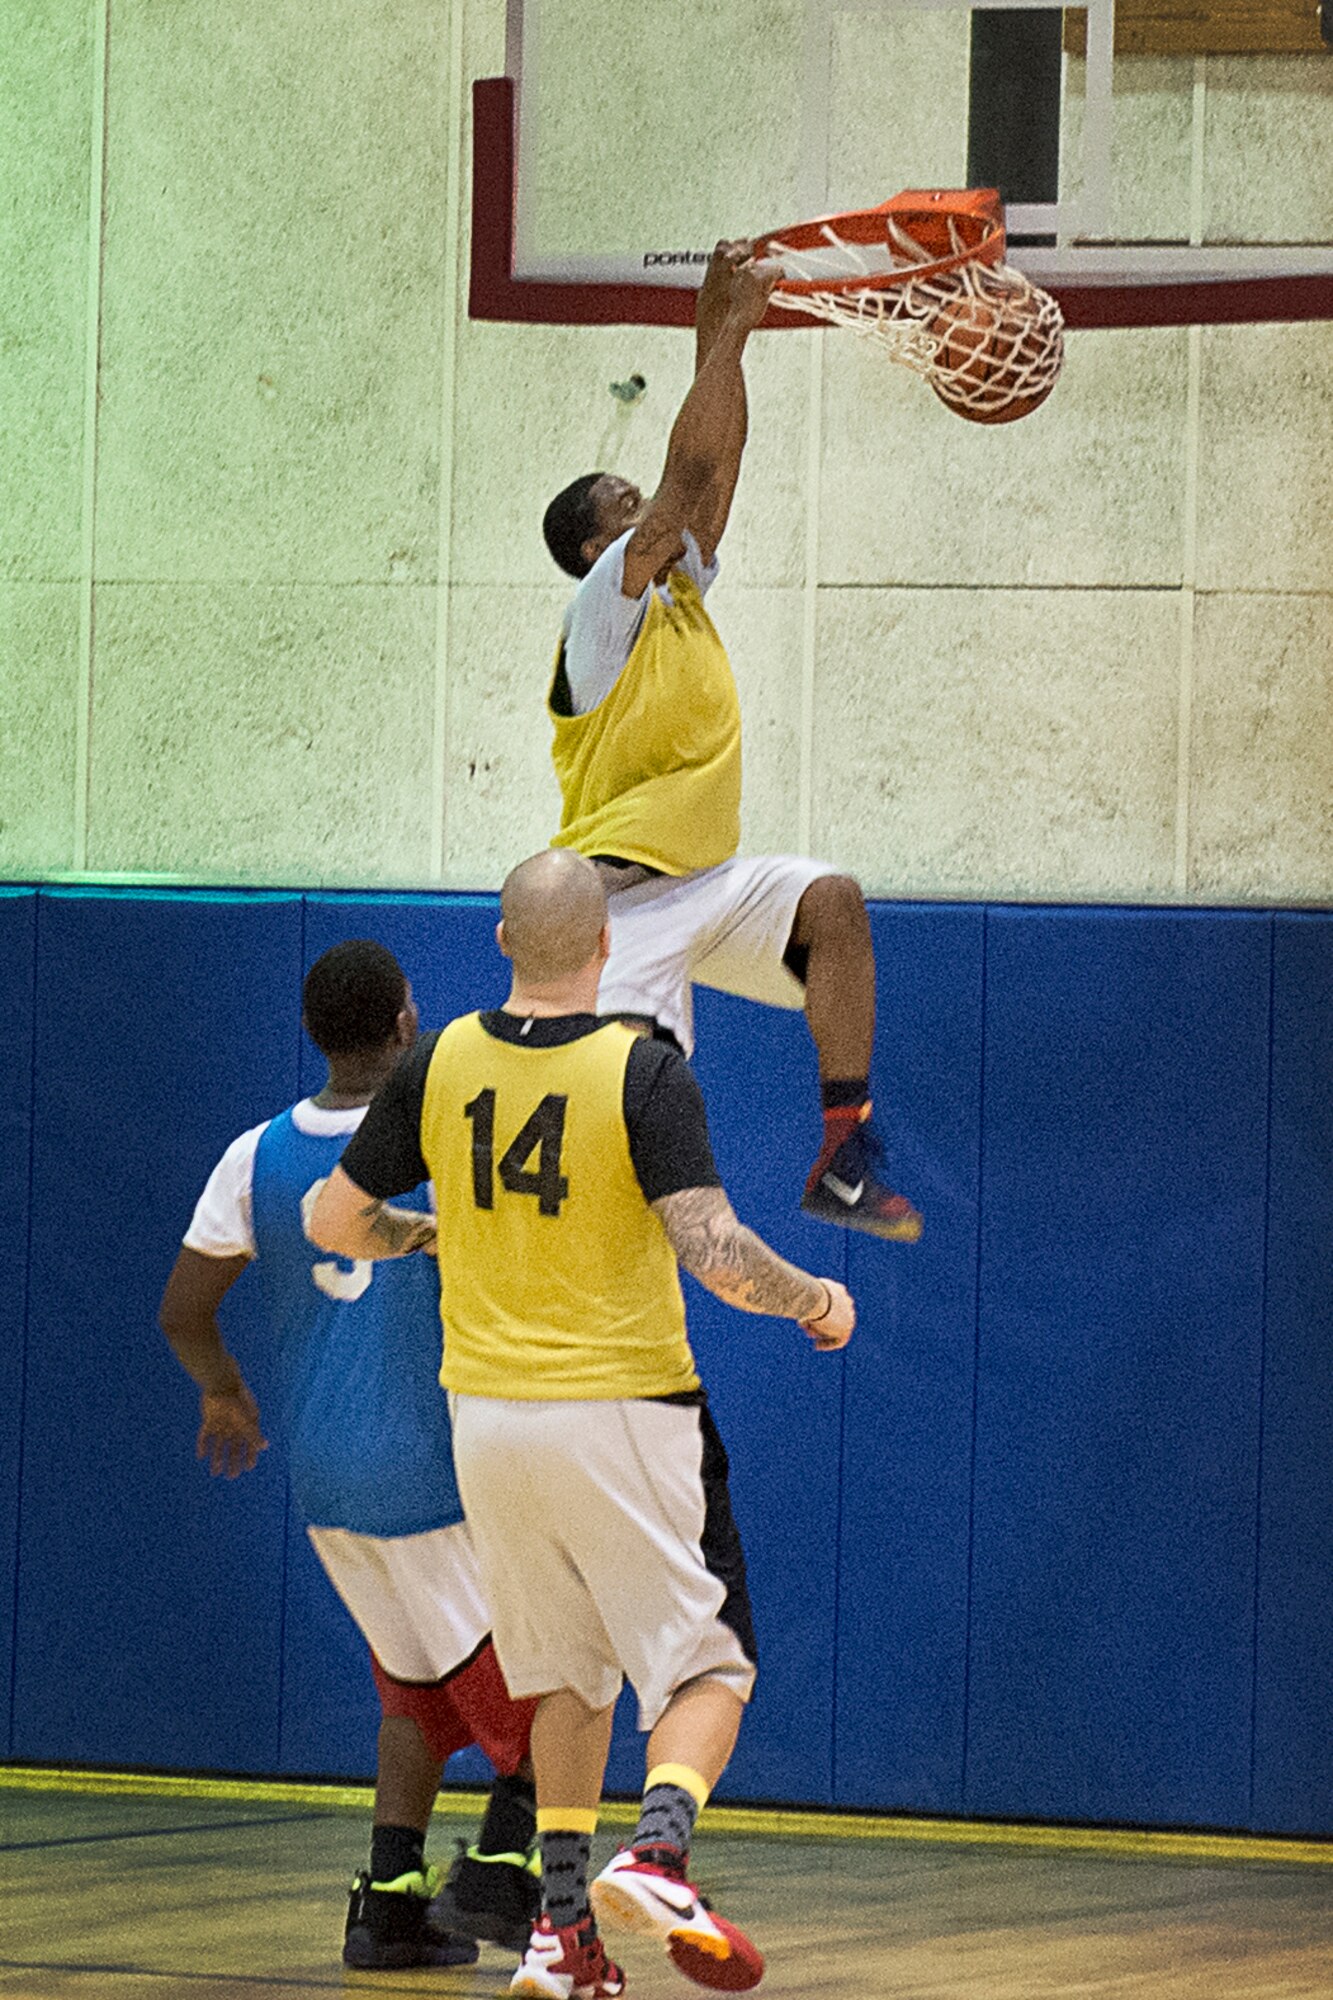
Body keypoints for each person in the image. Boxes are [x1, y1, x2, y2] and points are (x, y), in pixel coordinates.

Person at [309, 850, 856, 2000]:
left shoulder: (443, 1056)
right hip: (620, 1410)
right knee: (713, 1662)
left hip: (489, 1424)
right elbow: (713, 1253)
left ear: (503, 940)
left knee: (566, 1671)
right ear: (608, 948)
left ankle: (563, 1930)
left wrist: (433, 1235)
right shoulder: (642, 1070)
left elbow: (336, 1215)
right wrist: (815, 1298)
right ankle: (658, 1853)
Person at [158, 939, 541, 1972]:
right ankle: (513, 1878)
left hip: (325, 1478)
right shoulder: (450, 1135)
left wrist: (224, 1391)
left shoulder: (255, 1153)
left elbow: (183, 1310)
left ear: (312, 1031)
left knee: (415, 1694)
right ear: (408, 1023)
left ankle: (389, 1901)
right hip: (435, 1467)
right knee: (551, 1694)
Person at [539, 244, 922, 1245]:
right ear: (596, 547)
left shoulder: (678, 598)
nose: (651, 509)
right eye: (624, 505)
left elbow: (718, 470)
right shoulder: (601, 608)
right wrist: (728, 330)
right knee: (624, 1125)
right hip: (610, 909)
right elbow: (686, 475)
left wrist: (723, 335)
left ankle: (843, 1151)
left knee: (831, 902)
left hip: (701, 883)